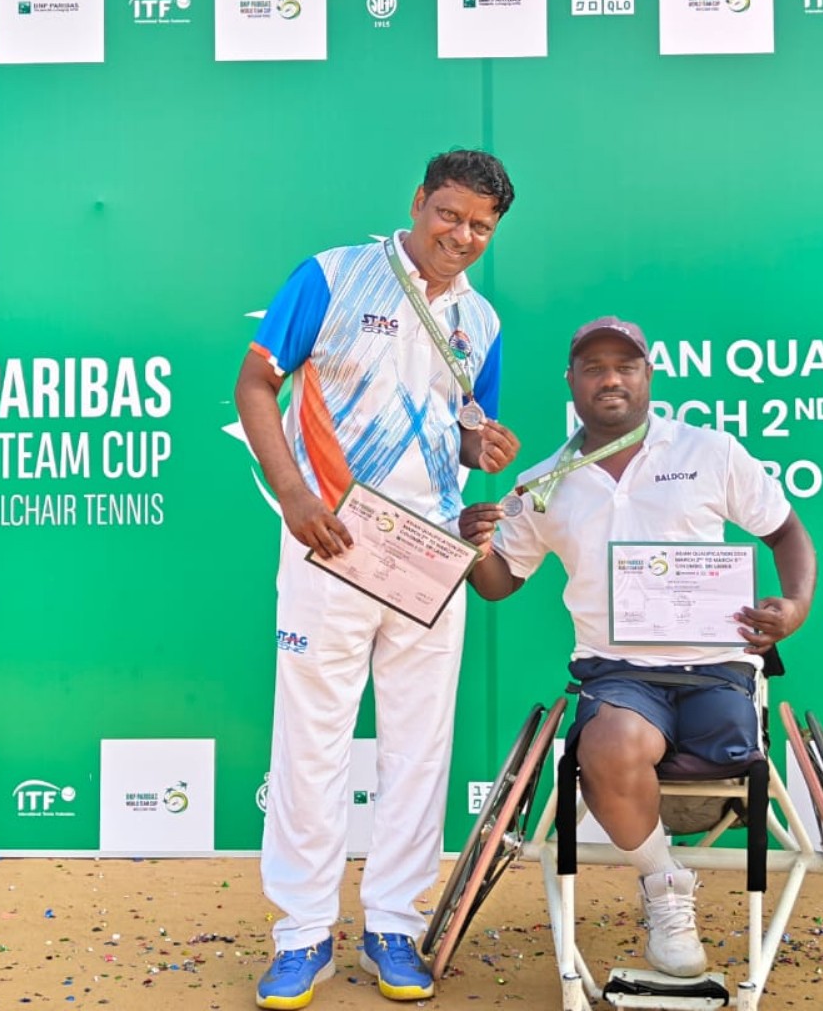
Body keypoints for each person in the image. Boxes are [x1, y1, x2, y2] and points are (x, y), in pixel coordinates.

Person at [235, 149, 521, 1009]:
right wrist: (292, 496)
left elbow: (471, 430)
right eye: (449, 215)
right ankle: (301, 935)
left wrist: (487, 450)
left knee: (419, 745)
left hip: (425, 554)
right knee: (312, 741)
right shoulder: (334, 275)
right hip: (329, 538)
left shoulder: (484, 320)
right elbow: (256, 384)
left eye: (480, 226)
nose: (460, 236)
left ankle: (393, 923)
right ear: (418, 202)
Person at [457, 316, 817, 980]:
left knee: (716, 749)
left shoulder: (710, 451)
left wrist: (793, 606)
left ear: (648, 375)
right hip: (618, 675)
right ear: (571, 382)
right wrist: (472, 547)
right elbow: (499, 584)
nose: (610, 378)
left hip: (719, 670)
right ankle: (665, 887)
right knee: (611, 744)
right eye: (593, 367)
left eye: (624, 365)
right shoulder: (542, 481)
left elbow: (788, 533)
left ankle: (665, 873)